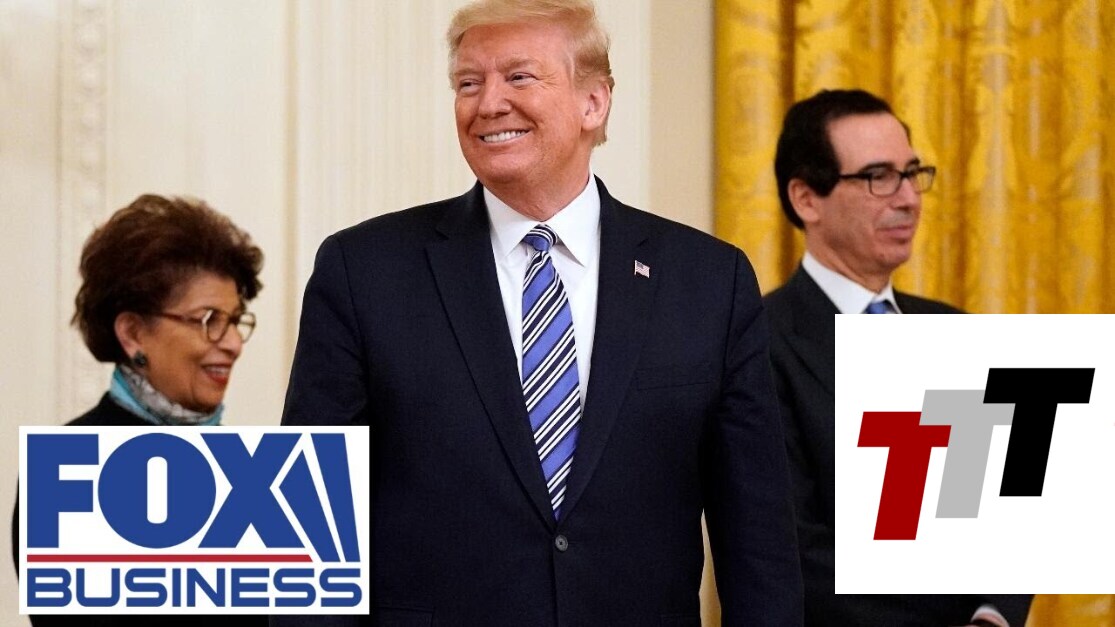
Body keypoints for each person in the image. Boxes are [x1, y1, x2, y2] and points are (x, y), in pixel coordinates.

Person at [278, 0, 802, 625]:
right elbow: (310, 528)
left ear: (593, 103)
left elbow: (759, 540)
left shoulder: (708, 281)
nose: (488, 103)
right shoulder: (364, 270)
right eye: (468, 83)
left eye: (519, 77)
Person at [765, 88, 1032, 626]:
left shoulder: (956, 330)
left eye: (912, 173)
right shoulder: (758, 341)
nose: (908, 197)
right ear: (807, 199)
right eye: (878, 177)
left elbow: (1010, 510)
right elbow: (791, 551)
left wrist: (990, 616)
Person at [12, 193, 267, 627]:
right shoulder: (69, 471)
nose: (233, 344)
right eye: (209, 320)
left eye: (235, 320)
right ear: (132, 333)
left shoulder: (255, 472)